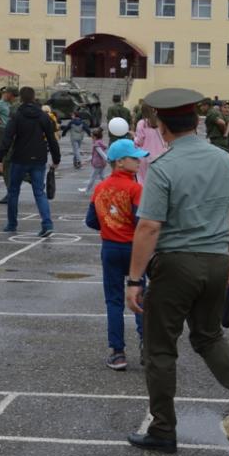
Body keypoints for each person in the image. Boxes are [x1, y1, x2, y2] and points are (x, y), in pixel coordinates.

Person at [124, 87, 229, 453]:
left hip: (177, 263)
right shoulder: (224, 160)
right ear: (196, 122)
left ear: (162, 127)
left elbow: (149, 226)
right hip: (217, 260)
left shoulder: (163, 167)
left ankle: (163, 429)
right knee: (208, 337)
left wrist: (134, 279)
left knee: (160, 348)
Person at [85, 138, 148, 370]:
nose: (139, 161)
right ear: (120, 162)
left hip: (110, 248)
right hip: (133, 248)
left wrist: (110, 225)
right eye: (134, 158)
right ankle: (146, 345)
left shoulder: (100, 188)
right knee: (139, 296)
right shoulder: (136, 189)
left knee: (113, 301)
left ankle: (118, 352)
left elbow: (91, 220)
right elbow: (141, 222)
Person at [0, 86, 61, 238]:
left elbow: (7, 137)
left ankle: (12, 224)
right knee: (39, 192)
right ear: (33, 97)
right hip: (39, 158)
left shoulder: (17, 115)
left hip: (20, 158)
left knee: (13, 192)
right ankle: (47, 224)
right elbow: (51, 139)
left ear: (21, 98)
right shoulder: (43, 116)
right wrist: (56, 158)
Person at [0, 86, 19, 204]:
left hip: (10, 132)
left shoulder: (11, 104)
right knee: (8, 161)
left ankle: (31, 179)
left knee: (9, 162)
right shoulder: (4, 103)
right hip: (6, 131)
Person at [133, 102, 168, 186]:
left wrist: (134, 137)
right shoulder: (161, 121)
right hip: (161, 154)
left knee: (144, 181)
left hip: (145, 156)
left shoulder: (142, 123)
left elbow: (139, 141)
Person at [80, 128, 108, 194]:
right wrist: (86, 160)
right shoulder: (100, 142)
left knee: (92, 177)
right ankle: (109, 187)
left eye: (92, 137)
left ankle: (87, 190)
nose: (91, 138)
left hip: (98, 164)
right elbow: (95, 155)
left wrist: (108, 160)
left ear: (95, 137)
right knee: (102, 177)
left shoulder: (97, 145)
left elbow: (102, 154)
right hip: (102, 163)